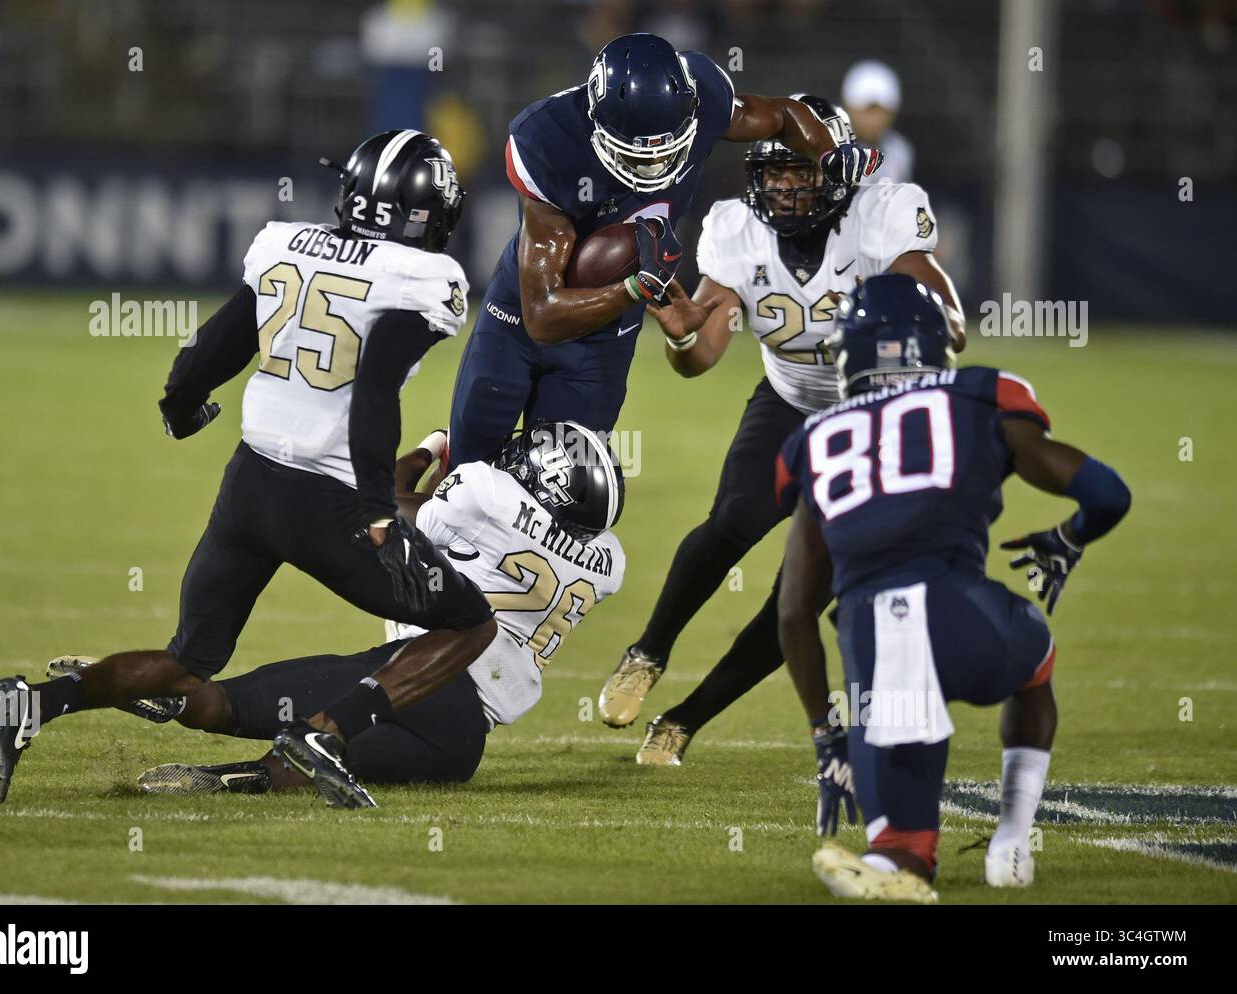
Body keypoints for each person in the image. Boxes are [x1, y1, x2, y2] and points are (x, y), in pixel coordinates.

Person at [0, 130, 499, 805]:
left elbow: (219, 342)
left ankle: (35, 705)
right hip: (328, 501)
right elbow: (373, 391)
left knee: (187, 662)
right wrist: (376, 514)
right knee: (468, 622)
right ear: (423, 212)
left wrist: (182, 402)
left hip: (248, 485)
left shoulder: (288, 243)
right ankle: (326, 734)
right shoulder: (423, 276)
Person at [595, 96, 965, 762]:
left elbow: (948, 315)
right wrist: (682, 339)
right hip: (790, 402)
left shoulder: (880, 216)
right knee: (730, 523)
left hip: (867, 426)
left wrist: (913, 320)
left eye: (802, 172)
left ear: (839, 171)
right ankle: (647, 651)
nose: (788, 187)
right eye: (775, 173)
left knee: (800, 594)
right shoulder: (737, 229)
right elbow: (702, 352)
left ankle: (683, 721)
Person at [776, 274, 1131, 901]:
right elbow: (1108, 494)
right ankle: (1012, 838)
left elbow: (793, 614)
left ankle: (894, 866)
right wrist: (1068, 538)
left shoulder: (814, 440)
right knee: (1035, 665)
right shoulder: (980, 393)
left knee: (900, 849)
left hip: (875, 651)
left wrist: (825, 735)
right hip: (963, 618)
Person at [447, 33, 883, 469]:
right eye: (637, 153)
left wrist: (829, 154)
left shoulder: (706, 95)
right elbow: (541, 315)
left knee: (559, 491)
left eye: (667, 145)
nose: (654, 161)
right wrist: (637, 287)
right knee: (468, 474)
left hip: (606, 334)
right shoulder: (547, 138)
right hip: (520, 318)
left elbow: (783, 114)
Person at [132, 422, 626, 807]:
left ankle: (157, 691)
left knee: (230, 703)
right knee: (313, 756)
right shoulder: (610, 563)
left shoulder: (486, 495)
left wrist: (432, 446)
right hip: (459, 745)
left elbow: (381, 504)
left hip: (423, 676)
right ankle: (252, 775)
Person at [841, 60, 914, 184]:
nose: (874, 119)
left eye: (881, 111)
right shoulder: (826, 148)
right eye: (867, 111)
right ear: (848, 106)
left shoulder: (899, 151)